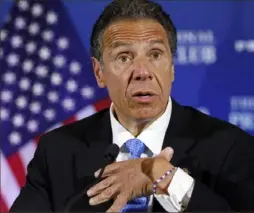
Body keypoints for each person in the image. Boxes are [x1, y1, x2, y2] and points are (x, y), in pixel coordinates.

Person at [10, 0, 254, 212]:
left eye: (156, 55)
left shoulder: (228, 145)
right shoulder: (57, 151)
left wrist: (167, 178)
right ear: (99, 72)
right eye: (124, 57)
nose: (142, 72)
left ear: (172, 67)